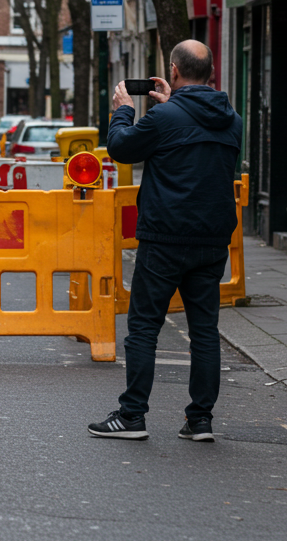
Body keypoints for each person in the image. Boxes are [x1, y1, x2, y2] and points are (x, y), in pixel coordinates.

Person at [87, 40, 242, 442]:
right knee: (204, 331)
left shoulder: (163, 117)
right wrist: (176, 105)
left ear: (173, 71)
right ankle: (200, 420)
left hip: (165, 237)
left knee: (143, 327)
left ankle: (132, 416)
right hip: (212, 240)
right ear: (211, 72)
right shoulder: (232, 119)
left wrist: (124, 110)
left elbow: (121, 149)